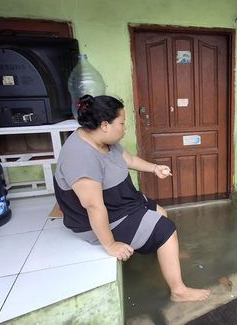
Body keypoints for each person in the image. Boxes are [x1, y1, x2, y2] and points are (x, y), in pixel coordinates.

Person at [54, 94, 210, 302]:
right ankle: (178, 291)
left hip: (120, 203)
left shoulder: (102, 140)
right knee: (166, 229)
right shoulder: (80, 156)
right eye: (122, 123)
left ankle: (166, 256)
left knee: (161, 212)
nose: (124, 128)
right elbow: (93, 207)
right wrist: (110, 245)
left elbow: (129, 159)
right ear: (105, 125)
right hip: (102, 219)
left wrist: (155, 168)